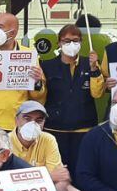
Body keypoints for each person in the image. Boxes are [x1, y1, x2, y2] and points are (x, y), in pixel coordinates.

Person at [39, 24, 104, 175]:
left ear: (81, 42)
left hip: (84, 128)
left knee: (81, 171)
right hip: (54, 128)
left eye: (75, 40)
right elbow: (40, 96)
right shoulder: (47, 65)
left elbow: (97, 93)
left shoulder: (90, 64)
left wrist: (94, 69)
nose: (71, 44)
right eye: (66, 41)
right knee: (58, 171)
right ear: (59, 43)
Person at [10, 102, 86, 191]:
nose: (33, 124)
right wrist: (49, 176)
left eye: (39, 120)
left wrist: (69, 189)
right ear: (17, 120)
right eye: (27, 119)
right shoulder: (4, 142)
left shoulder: (48, 139)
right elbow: (7, 184)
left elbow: (59, 179)